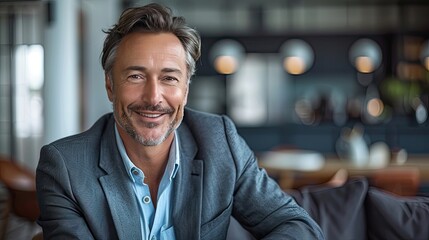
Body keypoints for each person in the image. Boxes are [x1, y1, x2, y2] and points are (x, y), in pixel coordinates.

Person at [36, 3, 324, 240]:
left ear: (185, 90)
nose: (153, 97)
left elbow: (298, 226)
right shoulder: (65, 167)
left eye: (169, 78)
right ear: (110, 85)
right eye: (135, 76)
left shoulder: (219, 141)